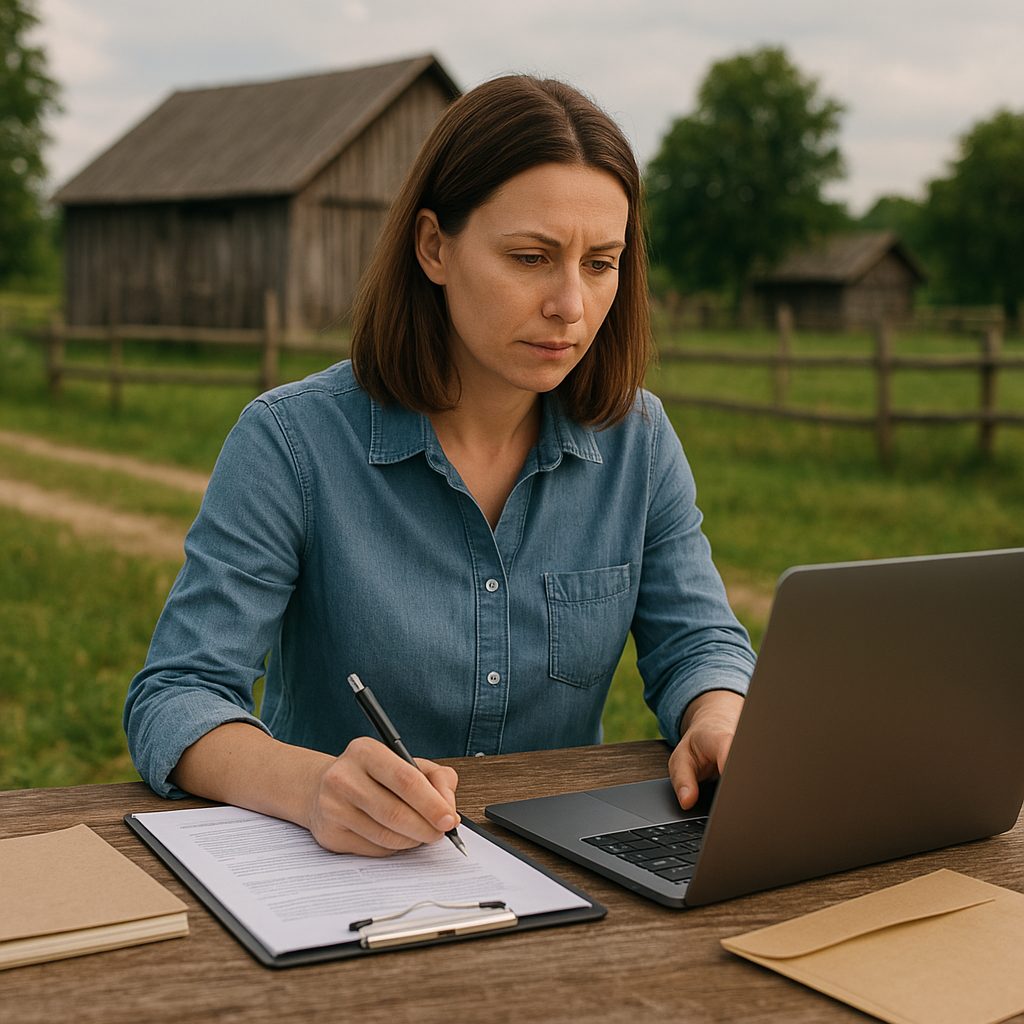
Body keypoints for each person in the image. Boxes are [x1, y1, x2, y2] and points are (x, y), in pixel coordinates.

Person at [124, 74, 756, 858]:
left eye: (601, 263)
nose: (571, 304)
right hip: (344, 873)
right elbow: (177, 695)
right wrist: (312, 787)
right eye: (531, 257)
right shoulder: (291, 441)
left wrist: (718, 719)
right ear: (434, 247)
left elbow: (699, 644)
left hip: (569, 872)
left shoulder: (639, 439)